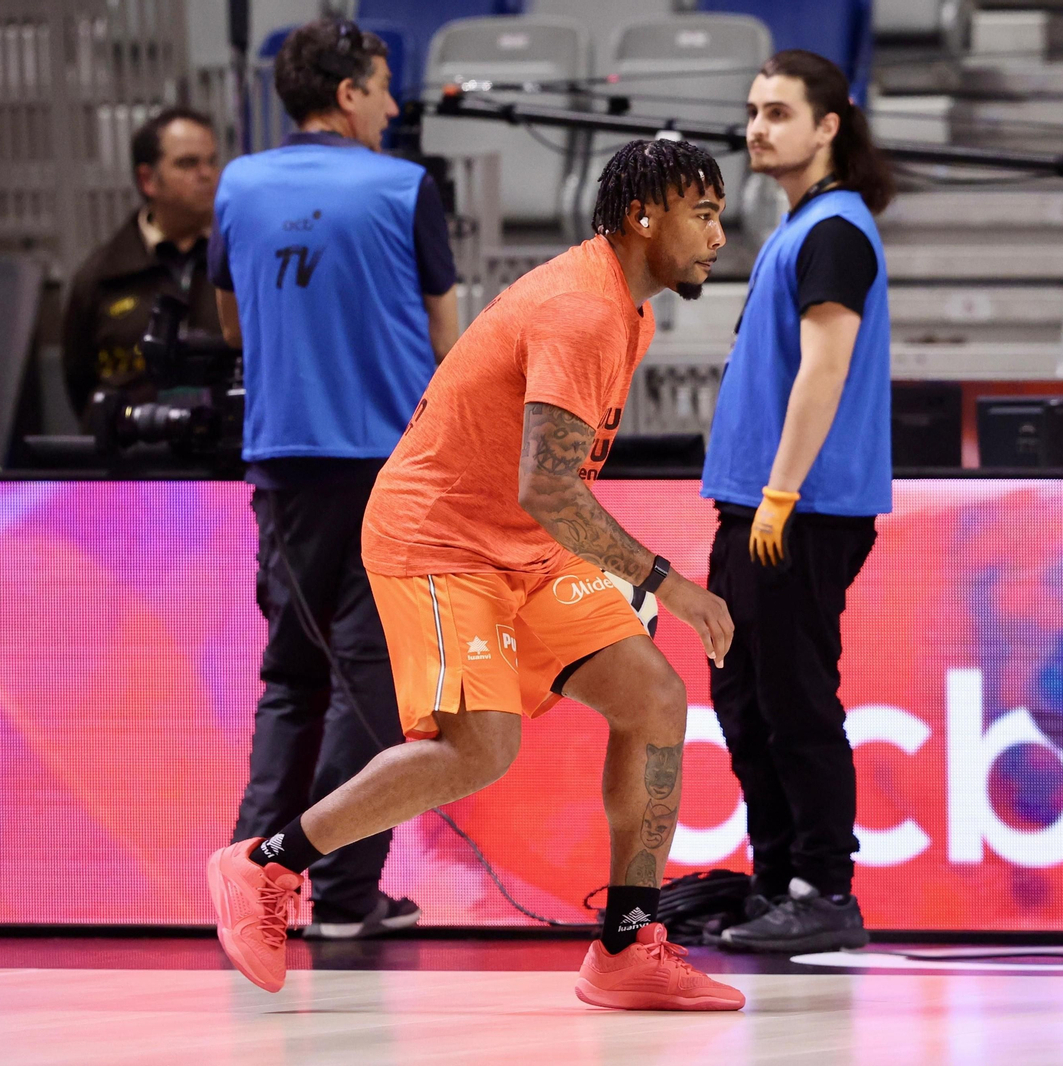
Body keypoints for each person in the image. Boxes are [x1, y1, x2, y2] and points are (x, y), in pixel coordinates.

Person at [207, 137, 746, 1011]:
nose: (721, 235)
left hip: (520, 541)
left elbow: (540, 492)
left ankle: (625, 946)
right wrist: (663, 583)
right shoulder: (582, 309)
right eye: (706, 213)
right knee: (479, 749)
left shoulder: (628, 312)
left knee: (651, 697)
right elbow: (548, 482)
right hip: (441, 539)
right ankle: (266, 865)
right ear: (645, 218)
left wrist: (617, 590)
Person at [208, 19, 459, 940]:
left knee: (290, 680)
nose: (395, 105)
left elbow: (233, 327)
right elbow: (448, 345)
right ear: (348, 91)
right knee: (374, 689)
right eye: (386, 85)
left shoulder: (238, 185)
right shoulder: (404, 189)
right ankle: (346, 898)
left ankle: (247, 882)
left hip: (282, 467)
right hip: (392, 473)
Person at [699, 50, 897, 954]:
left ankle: (825, 888)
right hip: (754, 507)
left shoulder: (836, 231)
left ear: (829, 126)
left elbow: (826, 368)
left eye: (778, 111)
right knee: (745, 703)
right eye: (752, 110)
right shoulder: (801, 228)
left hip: (799, 510)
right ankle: (777, 880)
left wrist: (779, 494)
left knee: (795, 700)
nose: (756, 126)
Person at [62, 107, 222, 425]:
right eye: (188, 163)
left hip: (223, 459)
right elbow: (80, 383)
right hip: (135, 461)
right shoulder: (101, 276)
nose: (206, 174)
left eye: (212, 161)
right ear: (148, 179)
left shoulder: (240, 263)